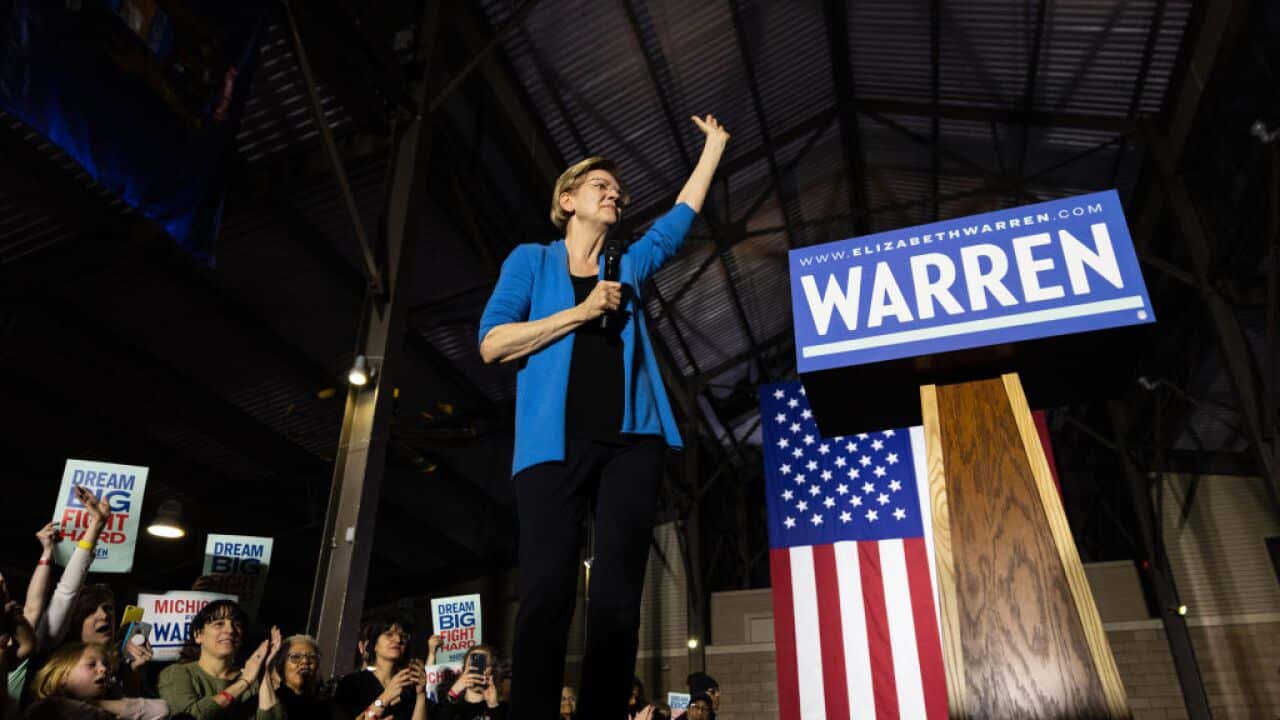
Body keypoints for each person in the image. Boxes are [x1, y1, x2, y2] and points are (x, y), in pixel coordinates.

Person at [479, 113, 730, 720]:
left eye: (618, 190)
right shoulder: (531, 262)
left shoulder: (628, 264)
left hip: (630, 444)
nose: (615, 193)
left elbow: (679, 221)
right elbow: (493, 343)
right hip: (551, 447)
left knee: (618, 597)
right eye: (601, 186)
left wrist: (715, 148)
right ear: (567, 201)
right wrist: (582, 310)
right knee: (546, 592)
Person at [156, 601, 282, 719]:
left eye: (236, 624)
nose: (230, 630)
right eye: (219, 624)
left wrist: (266, 668)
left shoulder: (253, 676)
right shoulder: (177, 673)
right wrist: (244, 682)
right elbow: (189, 716)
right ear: (198, 635)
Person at [24, 642, 167, 720]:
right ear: (62, 676)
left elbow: (161, 709)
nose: (103, 669)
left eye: (105, 664)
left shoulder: (104, 707)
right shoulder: (46, 709)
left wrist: (97, 703)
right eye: (91, 665)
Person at [333, 618, 426, 720]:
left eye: (403, 636)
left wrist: (421, 694)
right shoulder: (353, 683)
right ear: (374, 645)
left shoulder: (408, 688)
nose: (398, 640)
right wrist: (385, 697)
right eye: (389, 634)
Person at [268, 634, 334, 719]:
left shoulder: (327, 706)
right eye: (295, 657)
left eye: (312, 657)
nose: (305, 661)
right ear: (282, 664)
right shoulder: (271, 700)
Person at [434, 646, 502, 720]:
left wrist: (493, 707)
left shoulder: (501, 707)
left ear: (492, 671)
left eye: (484, 665)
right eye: (473, 664)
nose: (477, 669)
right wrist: (453, 693)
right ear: (464, 669)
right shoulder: (450, 704)